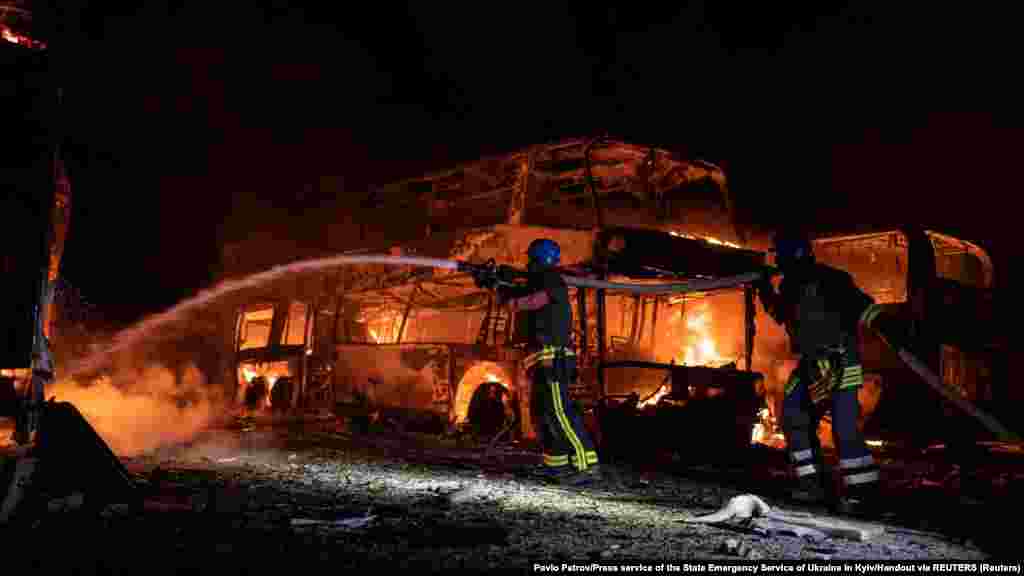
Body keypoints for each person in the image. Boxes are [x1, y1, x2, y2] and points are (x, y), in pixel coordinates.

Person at [754, 229, 881, 514]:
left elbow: (864, 308)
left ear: (795, 255)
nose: (780, 262)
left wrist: (891, 328)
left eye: (782, 256)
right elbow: (781, 314)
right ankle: (812, 486)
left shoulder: (832, 279)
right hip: (811, 364)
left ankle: (864, 493)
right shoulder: (789, 286)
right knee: (793, 418)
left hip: (840, 363)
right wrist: (764, 288)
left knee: (844, 429)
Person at [482, 238, 600, 484]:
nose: (527, 263)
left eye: (531, 258)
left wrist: (505, 293)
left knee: (560, 412)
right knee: (542, 414)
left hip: (553, 358)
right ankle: (554, 465)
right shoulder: (537, 281)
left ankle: (587, 466)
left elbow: (527, 301)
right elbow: (517, 294)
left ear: (538, 259)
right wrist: (495, 284)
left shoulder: (551, 280)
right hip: (541, 360)